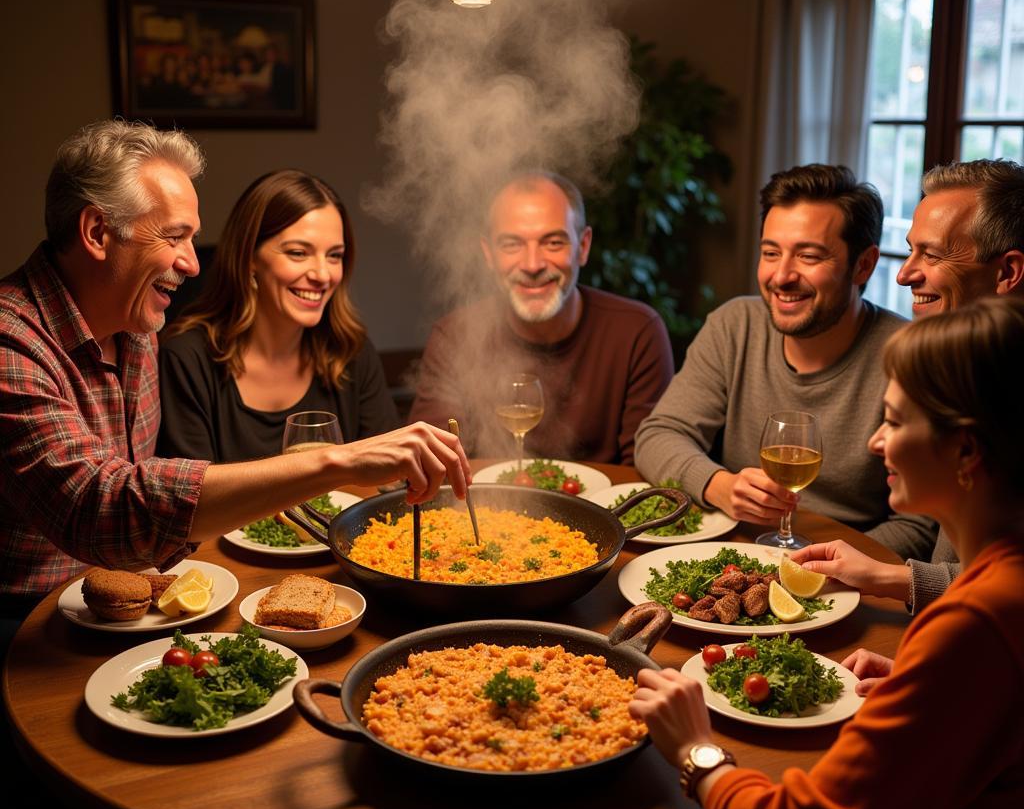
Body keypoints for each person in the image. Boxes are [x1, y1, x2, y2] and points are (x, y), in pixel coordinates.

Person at [0, 120, 468, 809]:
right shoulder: (10, 342)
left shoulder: (133, 326)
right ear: (95, 233)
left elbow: (151, 530)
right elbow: (102, 510)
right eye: (175, 237)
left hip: (126, 614)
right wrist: (332, 463)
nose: (191, 259)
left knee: (242, 776)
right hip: (23, 641)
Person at [631, 296, 1024, 809]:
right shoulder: (998, 584)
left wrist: (697, 751)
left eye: (894, 422)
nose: (875, 442)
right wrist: (915, 685)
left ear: (967, 452)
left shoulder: (977, 625)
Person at [634, 163, 933, 559]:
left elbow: (920, 523)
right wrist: (717, 485)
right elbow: (658, 435)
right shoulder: (734, 325)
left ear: (863, 264)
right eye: (770, 253)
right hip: (733, 555)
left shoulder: (912, 354)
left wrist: (821, 563)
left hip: (846, 573)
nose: (782, 276)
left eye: (809, 256)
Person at [792, 158, 1024, 611]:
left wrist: (888, 578)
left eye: (932, 255)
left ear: (1007, 273)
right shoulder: (973, 366)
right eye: (910, 250)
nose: (904, 274)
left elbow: (1010, 587)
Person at [408, 171, 674, 464]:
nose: (532, 264)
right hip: (488, 508)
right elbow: (434, 462)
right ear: (489, 253)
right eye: (512, 244)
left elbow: (646, 470)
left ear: (582, 247)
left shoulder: (636, 332)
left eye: (553, 243)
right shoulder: (456, 335)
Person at [158, 169, 399, 463]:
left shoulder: (351, 351)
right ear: (249, 259)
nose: (323, 275)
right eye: (298, 253)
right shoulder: (186, 360)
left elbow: (387, 479)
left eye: (334, 255)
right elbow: (191, 500)